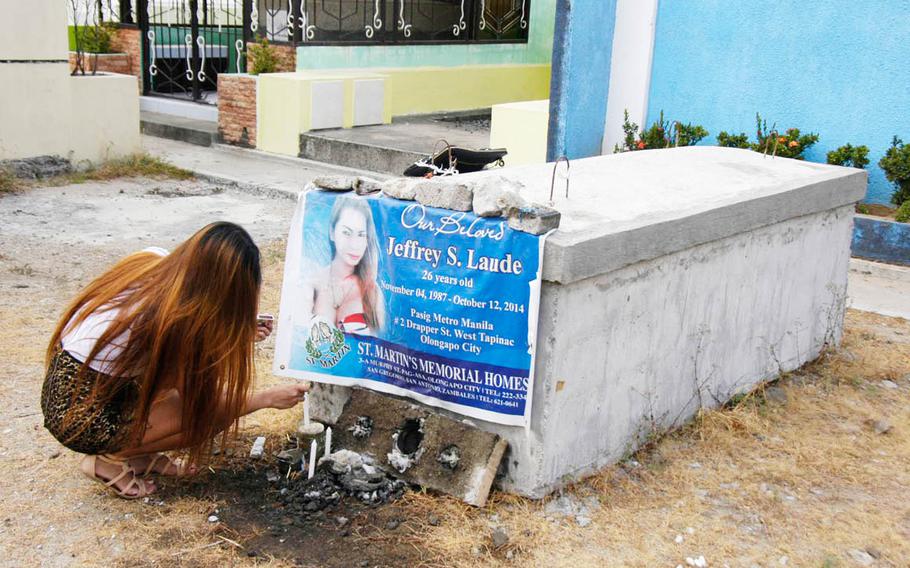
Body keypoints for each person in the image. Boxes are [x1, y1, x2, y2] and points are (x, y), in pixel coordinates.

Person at [41, 222, 310, 499]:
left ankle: (139, 455)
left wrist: (235, 330)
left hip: (73, 391)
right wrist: (265, 399)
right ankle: (107, 459)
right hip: (82, 417)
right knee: (206, 422)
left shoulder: (155, 261)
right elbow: (202, 404)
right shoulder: (174, 323)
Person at [300, 196, 384, 335]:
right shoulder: (312, 284)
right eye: (346, 233)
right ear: (332, 232)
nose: (354, 244)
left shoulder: (372, 292)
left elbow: (381, 347)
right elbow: (297, 341)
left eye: (361, 235)